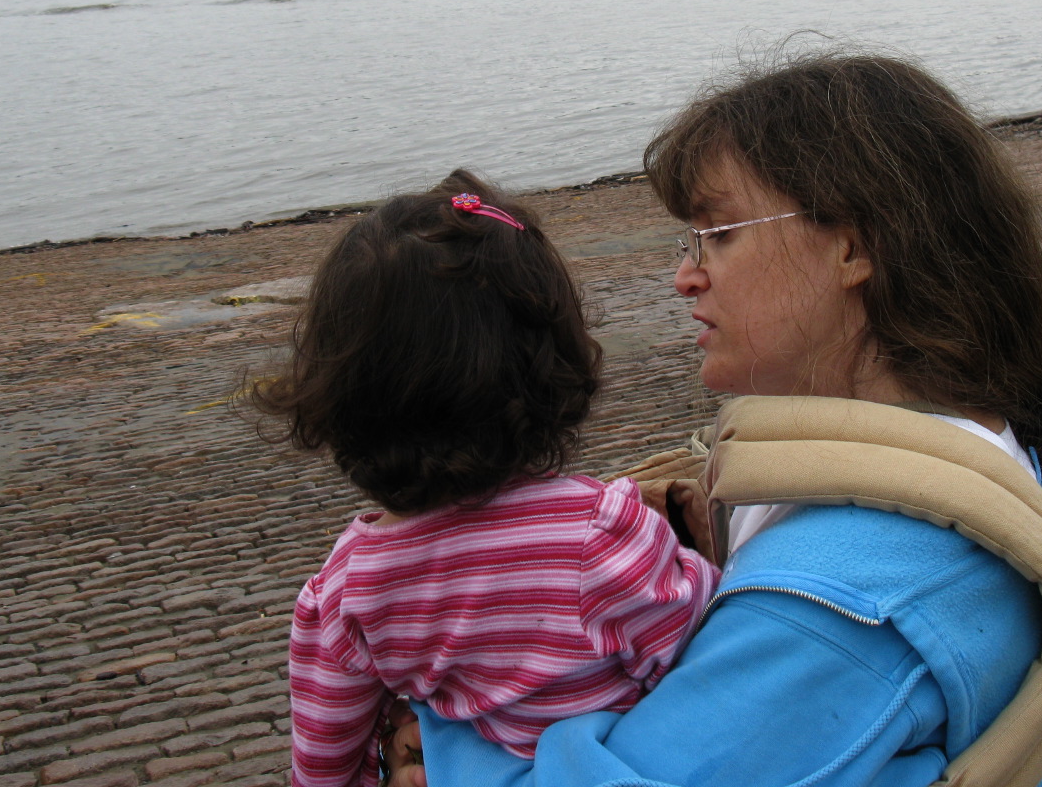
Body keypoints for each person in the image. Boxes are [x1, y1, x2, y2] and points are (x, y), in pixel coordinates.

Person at [387, 51, 1042, 787]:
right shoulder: (971, 445)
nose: (685, 276)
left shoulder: (840, 604)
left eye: (719, 234)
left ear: (853, 247)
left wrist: (440, 734)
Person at [251, 170, 720, 787]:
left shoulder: (346, 591)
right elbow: (712, 659)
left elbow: (322, 768)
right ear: (551, 360)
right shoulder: (602, 533)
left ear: (338, 392)